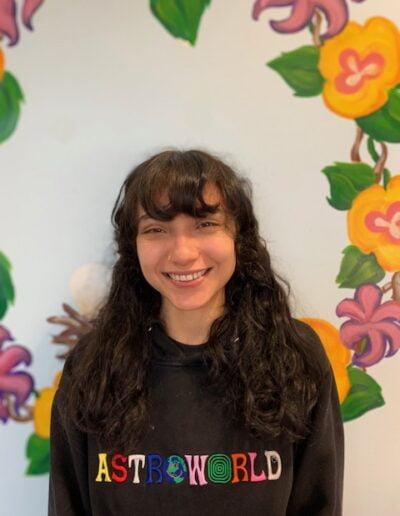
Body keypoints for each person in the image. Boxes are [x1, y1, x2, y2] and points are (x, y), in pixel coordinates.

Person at [48, 149, 344, 515]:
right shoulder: (93, 365)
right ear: (133, 246)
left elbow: (319, 504)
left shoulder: (295, 356)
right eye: (156, 229)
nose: (183, 252)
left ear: (238, 236)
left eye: (204, 224)